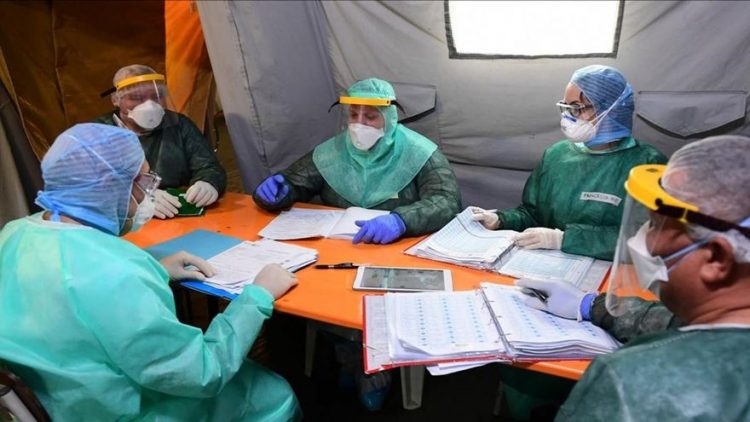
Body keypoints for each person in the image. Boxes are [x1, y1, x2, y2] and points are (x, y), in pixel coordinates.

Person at [0, 124, 301, 421]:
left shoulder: (15, 233)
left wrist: (154, 269)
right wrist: (257, 295)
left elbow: (63, 296)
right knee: (273, 394)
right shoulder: (117, 274)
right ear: (113, 186)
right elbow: (202, 374)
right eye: (144, 179)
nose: (149, 189)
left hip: (62, 401)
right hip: (124, 410)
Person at [516, 136, 750, 420]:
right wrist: (588, 305)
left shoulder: (630, 383)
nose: (642, 239)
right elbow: (671, 320)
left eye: (654, 224)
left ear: (717, 258)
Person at [472, 65, 666, 261]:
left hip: (613, 273)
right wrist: (500, 220)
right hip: (547, 264)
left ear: (611, 109)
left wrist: (564, 239)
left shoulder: (647, 165)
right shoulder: (556, 155)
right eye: (565, 108)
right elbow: (533, 214)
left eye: (576, 108)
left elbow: (650, 238)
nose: (567, 118)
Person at [253, 78, 462, 244]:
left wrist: (402, 221)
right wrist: (278, 192)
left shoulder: (420, 153)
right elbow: (296, 181)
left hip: (400, 248)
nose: (359, 124)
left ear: (389, 118)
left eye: (370, 117)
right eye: (353, 115)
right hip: (337, 247)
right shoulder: (333, 150)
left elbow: (447, 202)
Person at [94, 64, 226, 219]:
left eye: (156, 96)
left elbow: (208, 166)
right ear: (116, 100)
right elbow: (88, 187)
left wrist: (208, 183)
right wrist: (135, 197)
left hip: (178, 216)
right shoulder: (97, 134)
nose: (149, 105)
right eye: (136, 97)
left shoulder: (179, 124)